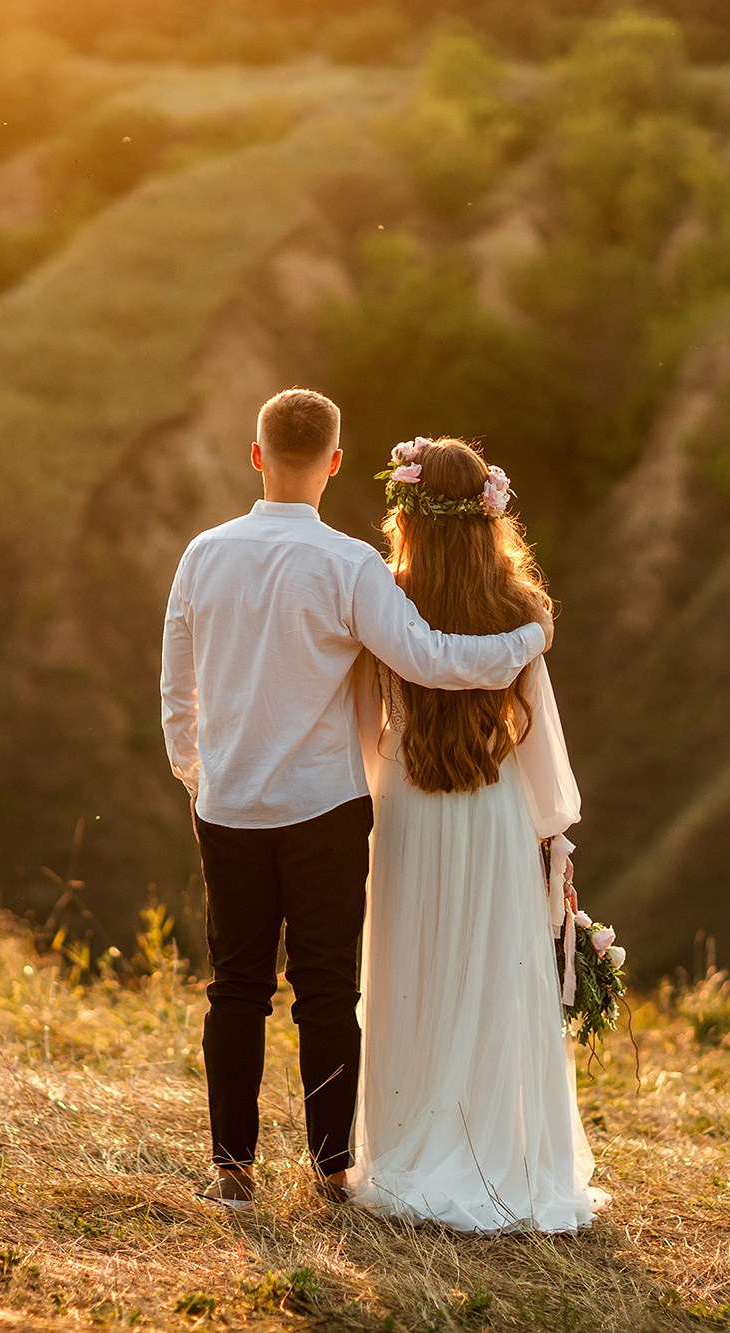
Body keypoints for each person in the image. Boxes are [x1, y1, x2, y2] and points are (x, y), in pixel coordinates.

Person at [160, 390, 553, 1211]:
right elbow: (430, 659)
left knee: (234, 987)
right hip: (326, 809)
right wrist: (528, 639)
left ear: (257, 454)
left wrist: (202, 776)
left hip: (228, 809)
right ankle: (332, 1169)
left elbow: (176, 692)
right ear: (336, 463)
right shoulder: (348, 565)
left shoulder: (201, 554)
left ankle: (232, 1171)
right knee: (327, 990)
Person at [347, 436, 606, 1233]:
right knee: (495, 977)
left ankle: (404, 1144)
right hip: (492, 811)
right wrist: (550, 840)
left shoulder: (386, 597)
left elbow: (362, 729)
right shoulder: (517, 609)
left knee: (412, 974)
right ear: (491, 515)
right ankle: (500, 1152)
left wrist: (371, 793)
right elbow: (539, 745)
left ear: (408, 515)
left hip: (410, 812)